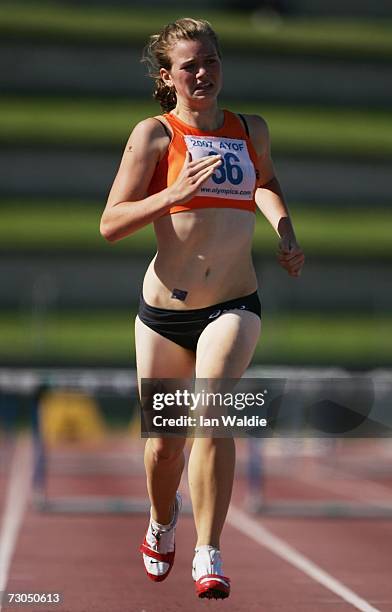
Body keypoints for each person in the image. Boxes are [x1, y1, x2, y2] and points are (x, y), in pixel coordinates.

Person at [100, 17, 305, 600]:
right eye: (190, 65)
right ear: (168, 77)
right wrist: (172, 194)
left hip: (235, 302)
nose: (203, 73)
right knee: (165, 445)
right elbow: (110, 223)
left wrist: (285, 231)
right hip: (165, 311)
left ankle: (208, 549)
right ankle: (162, 521)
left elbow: (265, 181)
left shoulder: (250, 129)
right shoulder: (154, 136)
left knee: (214, 406)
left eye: (211, 61)